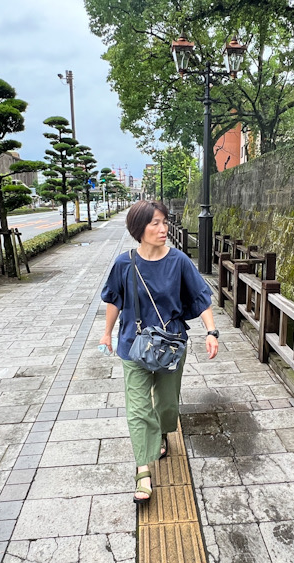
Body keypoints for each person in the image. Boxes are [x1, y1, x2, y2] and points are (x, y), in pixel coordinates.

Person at [100, 200, 219, 503]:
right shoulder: (124, 263)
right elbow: (114, 300)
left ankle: (164, 432)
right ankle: (143, 470)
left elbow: (201, 297)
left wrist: (211, 331)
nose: (163, 228)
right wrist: (106, 333)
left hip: (170, 347)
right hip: (134, 347)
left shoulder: (179, 261)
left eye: (164, 222)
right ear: (139, 229)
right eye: (155, 223)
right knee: (138, 410)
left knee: (167, 406)